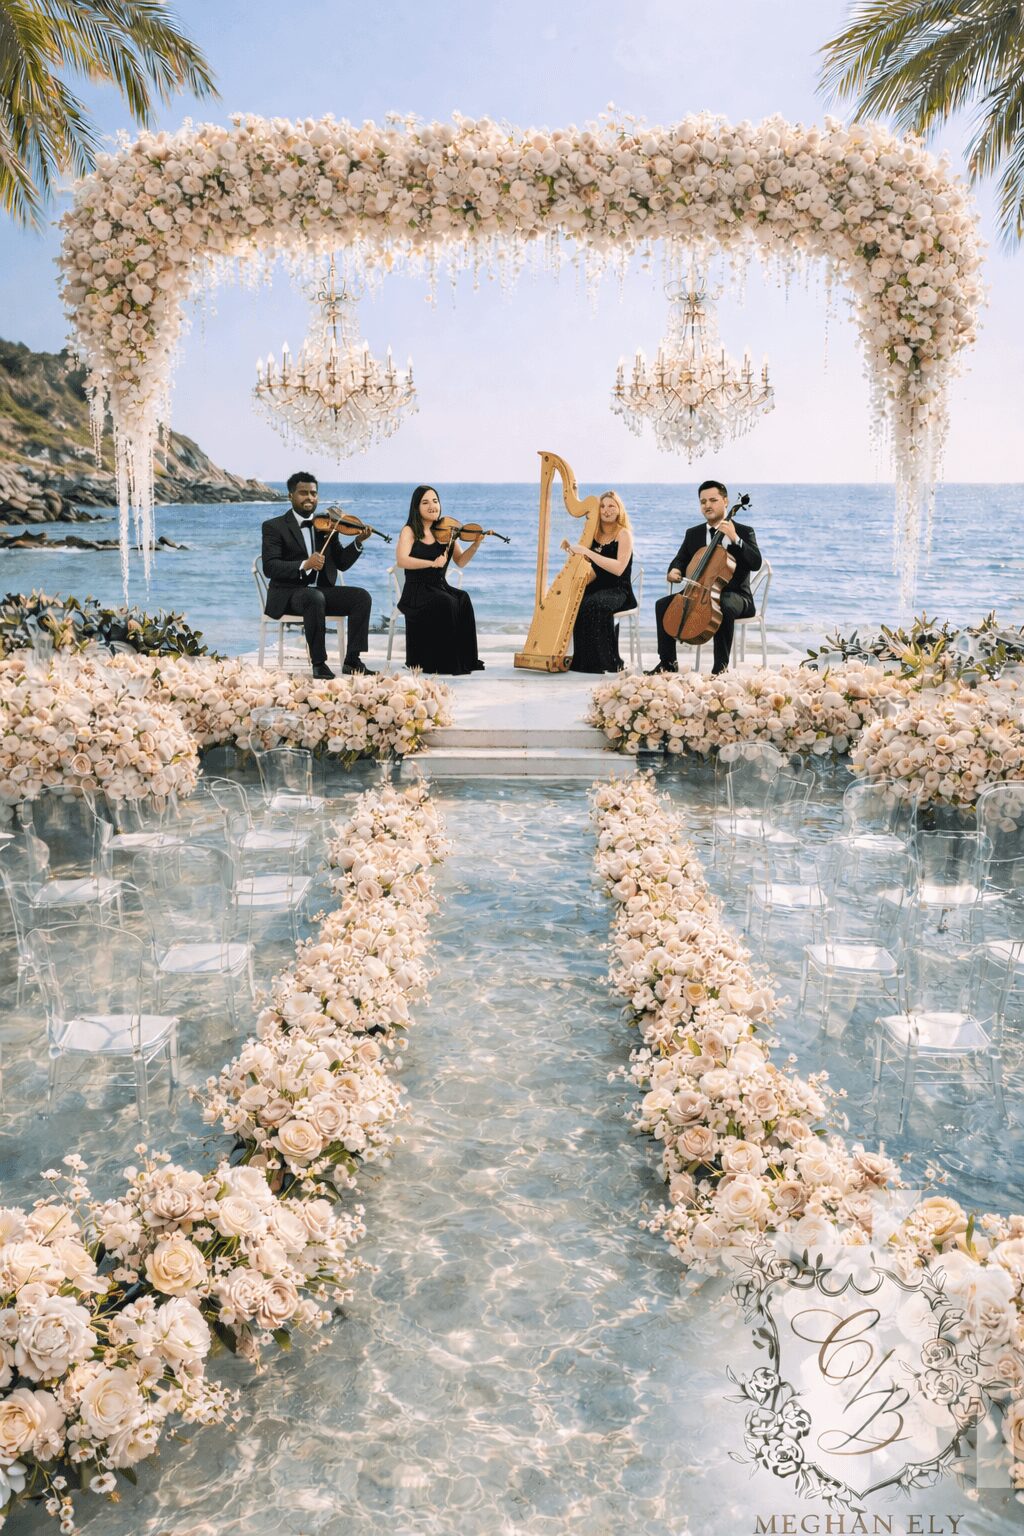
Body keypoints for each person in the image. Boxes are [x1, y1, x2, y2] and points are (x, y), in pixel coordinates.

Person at [261, 472, 375, 679]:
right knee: (314, 597)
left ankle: (352, 660)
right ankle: (319, 663)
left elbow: (342, 563)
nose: (309, 498)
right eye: (303, 493)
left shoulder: (326, 526)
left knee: (361, 597)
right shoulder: (273, 526)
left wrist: (358, 543)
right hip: (288, 594)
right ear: (290, 496)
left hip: (319, 592)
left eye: (313, 493)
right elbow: (270, 567)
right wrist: (305, 564)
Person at [648, 479, 761, 676]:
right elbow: (680, 560)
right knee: (662, 604)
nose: (707, 505)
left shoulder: (743, 531)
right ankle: (667, 662)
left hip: (736, 596)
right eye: (703, 502)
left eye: (713, 500)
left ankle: (720, 668)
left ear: (725, 501)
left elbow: (756, 563)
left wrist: (736, 539)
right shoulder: (693, 534)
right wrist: (674, 571)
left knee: (723, 604)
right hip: (700, 592)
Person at [396, 485, 484, 675]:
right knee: (447, 602)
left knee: (463, 598)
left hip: (439, 586)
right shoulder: (410, 531)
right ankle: (444, 662)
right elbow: (402, 560)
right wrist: (431, 563)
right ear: (416, 507)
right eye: (425, 502)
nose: (432, 506)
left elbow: (460, 561)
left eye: (435, 501)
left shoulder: (448, 531)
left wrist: (475, 545)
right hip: (416, 591)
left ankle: (465, 659)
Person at [564, 491, 635, 674]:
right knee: (578, 602)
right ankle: (583, 661)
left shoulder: (623, 534)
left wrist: (587, 552)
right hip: (598, 586)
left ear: (619, 510)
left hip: (619, 590)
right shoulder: (593, 535)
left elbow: (619, 568)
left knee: (596, 604)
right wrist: (575, 555)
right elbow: (594, 571)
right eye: (602, 506)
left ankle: (608, 661)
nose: (606, 510)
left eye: (612, 506)